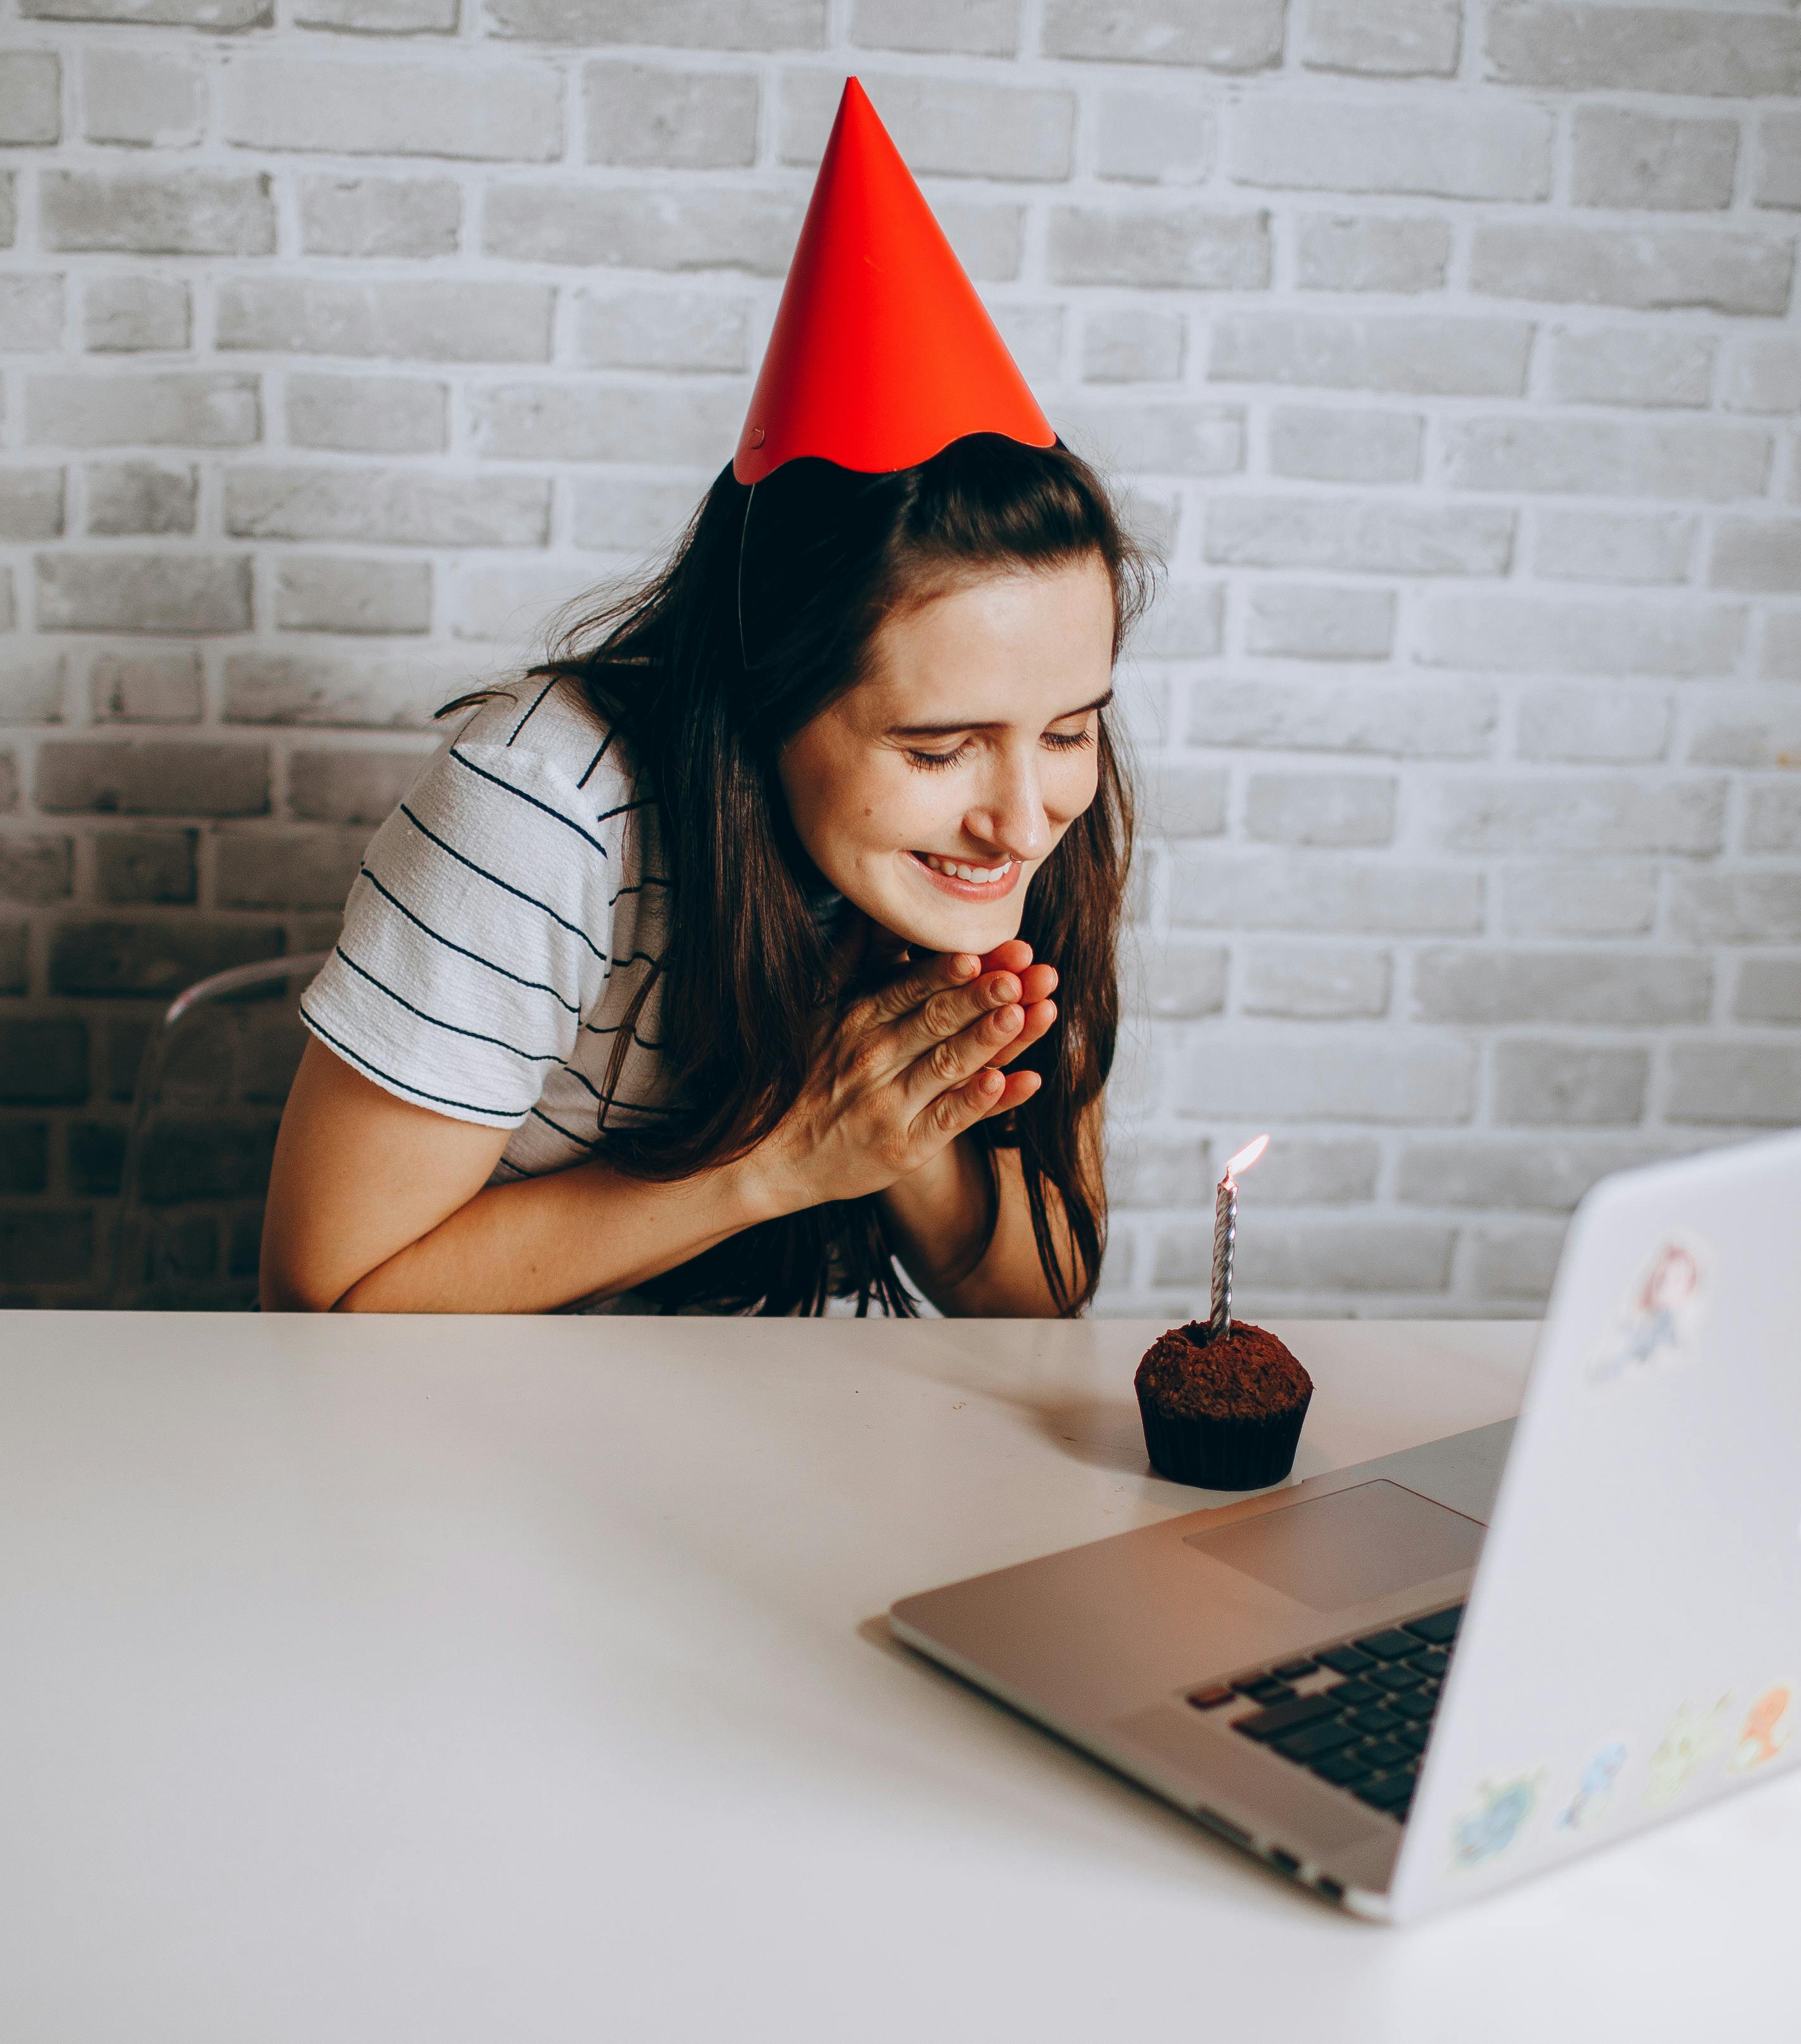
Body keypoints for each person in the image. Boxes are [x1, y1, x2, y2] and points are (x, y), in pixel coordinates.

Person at [257, 79, 1142, 1321]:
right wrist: (782, 1156)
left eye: (1065, 729)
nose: (1020, 816)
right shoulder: (542, 809)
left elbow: (1039, 1306)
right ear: (763, 688)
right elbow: (322, 1301)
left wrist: (901, 1105)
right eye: (937, 750)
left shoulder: (1018, 834)